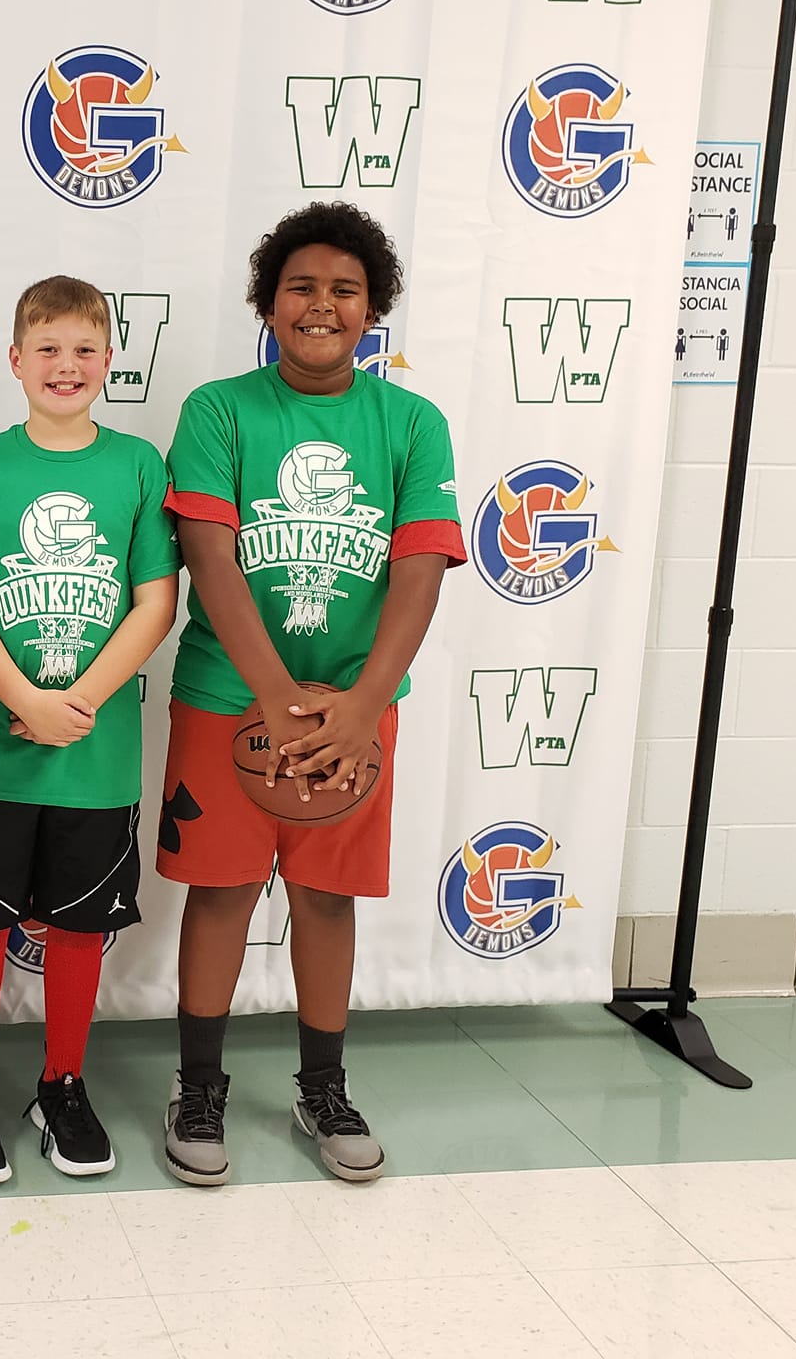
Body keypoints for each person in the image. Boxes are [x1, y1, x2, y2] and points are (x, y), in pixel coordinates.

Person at [158, 202, 465, 1186]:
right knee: (221, 894)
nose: (320, 304)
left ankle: (320, 1085)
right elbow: (208, 557)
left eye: (342, 289)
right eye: (300, 287)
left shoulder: (412, 423)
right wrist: (274, 695)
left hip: (353, 707)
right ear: (266, 302)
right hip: (225, 698)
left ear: (372, 310)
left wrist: (364, 702)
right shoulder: (217, 410)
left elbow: (418, 570)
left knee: (325, 898)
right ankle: (197, 1087)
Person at [0, 275, 180, 1183]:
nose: (65, 366)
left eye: (83, 349)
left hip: (94, 759)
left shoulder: (138, 466)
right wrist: (21, 701)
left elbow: (158, 600)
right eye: (47, 349)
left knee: (79, 932)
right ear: (15, 361)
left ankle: (62, 1083)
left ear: (109, 360)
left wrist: (76, 703)